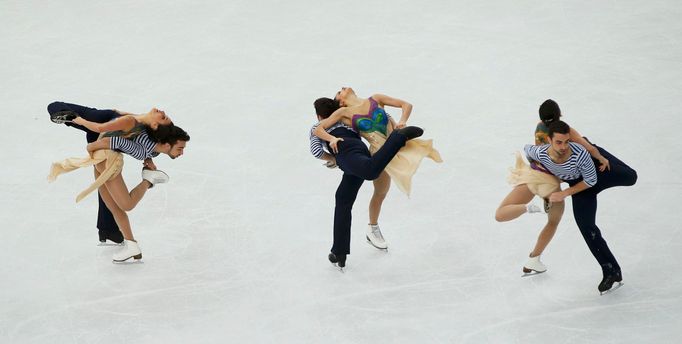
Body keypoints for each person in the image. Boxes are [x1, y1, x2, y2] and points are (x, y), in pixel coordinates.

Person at [495, 99, 612, 275]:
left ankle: (529, 209)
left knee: (500, 214)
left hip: (532, 175)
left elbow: (533, 151)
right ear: (560, 114)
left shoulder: (540, 127)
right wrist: (601, 158)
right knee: (553, 221)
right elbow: (587, 148)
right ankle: (534, 258)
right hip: (549, 183)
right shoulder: (566, 134)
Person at [316, 87, 442, 250]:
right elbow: (318, 129)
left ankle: (400, 138)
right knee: (381, 193)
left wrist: (402, 120)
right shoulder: (344, 113)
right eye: (339, 92)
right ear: (341, 101)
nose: (342, 89)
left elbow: (406, 104)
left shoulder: (375, 98)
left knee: (423, 155)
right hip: (378, 154)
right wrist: (332, 139)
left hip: (399, 147)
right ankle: (372, 228)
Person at [50, 121, 190, 262]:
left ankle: (132, 245)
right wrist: (90, 147)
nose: (182, 152)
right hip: (106, 156)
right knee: (122, 205)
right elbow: (114, 140)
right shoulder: (142, 150)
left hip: (103, 158)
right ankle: (148, 180)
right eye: (180, 148)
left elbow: (139, 142)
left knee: (119, 206)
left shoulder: (154, 147)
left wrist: (148, 160)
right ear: (166, 145)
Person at [524, 120, 637, 293]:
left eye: (567, 141)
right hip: (581, 187)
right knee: (586, 227)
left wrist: (564, 193)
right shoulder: (540, 153)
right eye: (559, 142)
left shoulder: (580, 153)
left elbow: (591, 181)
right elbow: (527, 150)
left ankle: (598, 151)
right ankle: (611, 271)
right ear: (549, 140)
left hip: (599, 174)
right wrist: (543, 173)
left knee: (631, 177)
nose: (563, 147)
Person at [48, 101, 171, 244]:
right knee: (54, 106)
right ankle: (109, 229)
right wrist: (77, 120)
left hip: (104, 132)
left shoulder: (143, 132)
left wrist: (80, 123)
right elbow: (122, 122)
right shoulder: (138, 123)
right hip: (103, 123)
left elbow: (114, 132)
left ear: (154, 126)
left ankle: (109, 230)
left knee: (107, 183)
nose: (162, 111)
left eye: (163, 117)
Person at [309, 100, 389, 250]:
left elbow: (316, 151)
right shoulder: (347, 119)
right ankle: (343, 249)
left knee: (365, 178)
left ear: (319, 116)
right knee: (347, 197)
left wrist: (333, 159)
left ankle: (341, 250)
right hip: (365, 153)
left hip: (349, 158)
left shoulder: (318, 127)